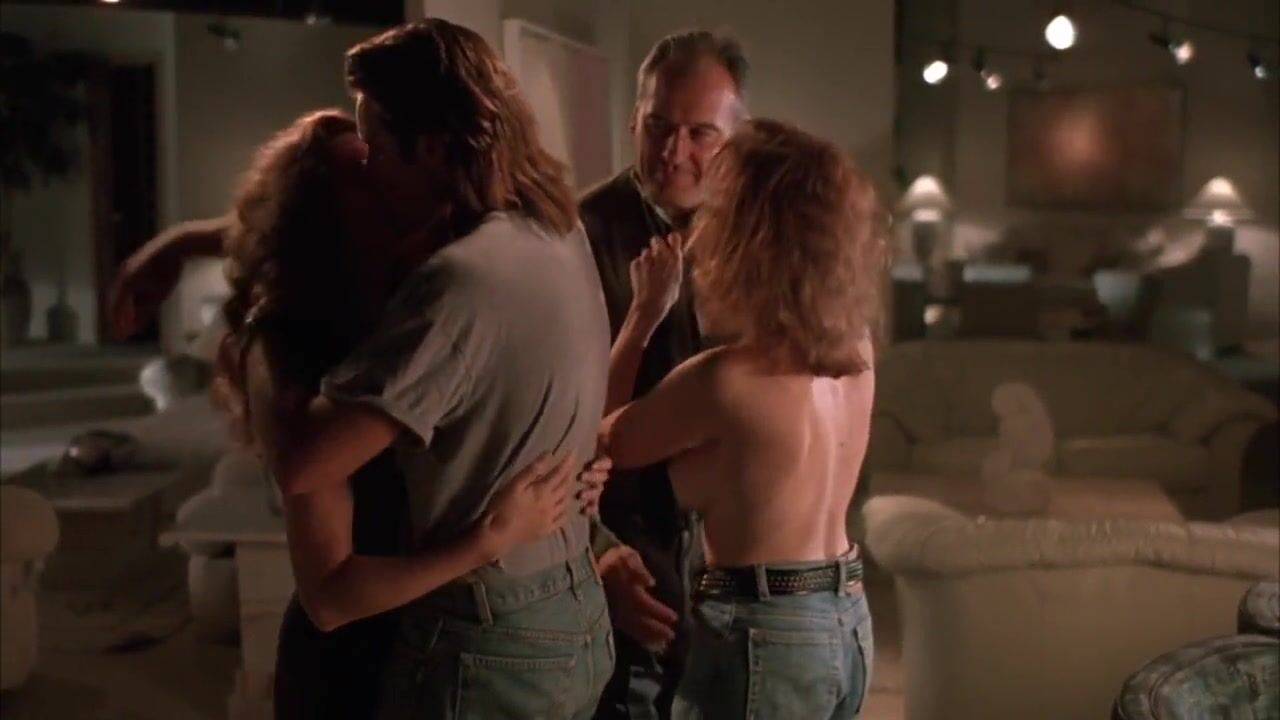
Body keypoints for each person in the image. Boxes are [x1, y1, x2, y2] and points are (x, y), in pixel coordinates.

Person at [255, 21, 613, 719]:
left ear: (428, 147)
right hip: (571, 607)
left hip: (490, 630)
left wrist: (255, 335)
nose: (370, 169)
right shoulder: (556, 228)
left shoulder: (459, 284)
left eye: (376, 147)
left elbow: (302, 464)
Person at [599, 119, 887, 719]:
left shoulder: (724, 380)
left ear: (746, 239)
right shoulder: (856, 349)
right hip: (846, 615)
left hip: (764, 634)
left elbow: (604, 441)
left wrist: (643, 315)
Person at [578, 29, 748, 719]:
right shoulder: (579, 235)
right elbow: (554, 423)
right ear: (633, 121)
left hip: (735, 558)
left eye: (700, 134)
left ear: (733, 140)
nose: (674, 152)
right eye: (659, 127)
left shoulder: (760, 239)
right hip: (630, 550)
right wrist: (595, 557)